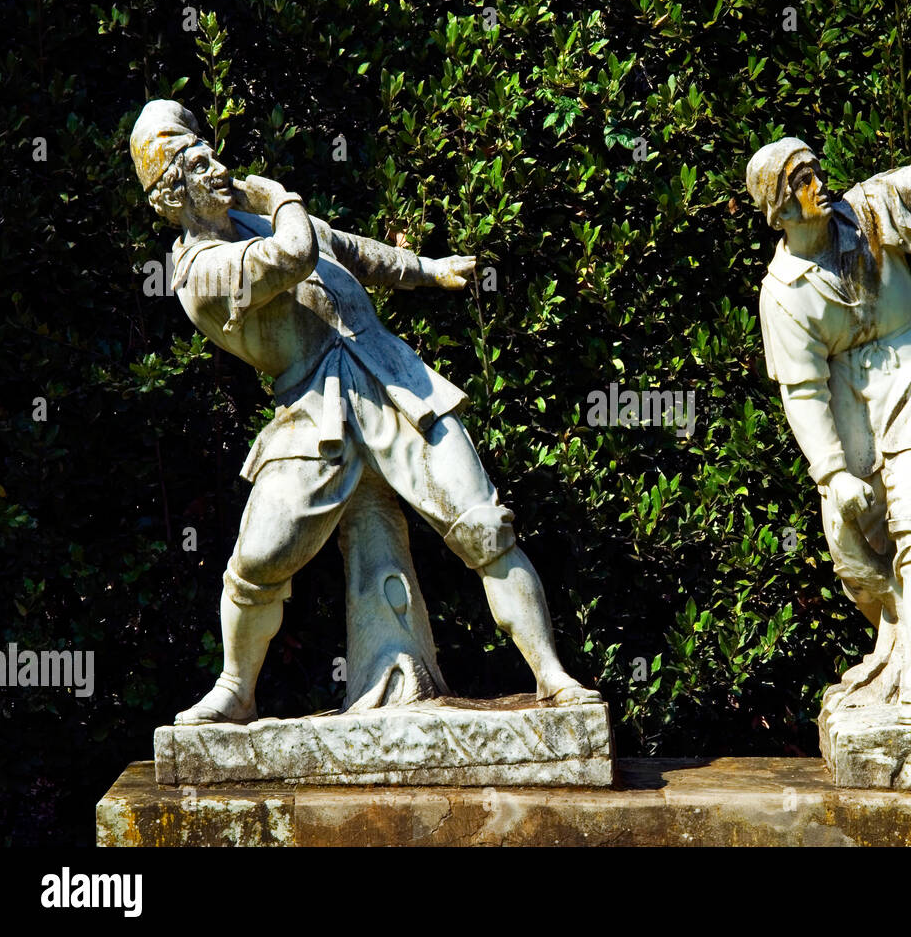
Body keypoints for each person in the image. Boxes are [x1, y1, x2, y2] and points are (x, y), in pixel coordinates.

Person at [130, 99, 601, 724]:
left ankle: (553, 676)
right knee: (258, 561)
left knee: (483, 523)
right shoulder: (201, 271)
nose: (217, 167)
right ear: (172, 193)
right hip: (312, 411)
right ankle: (235, 689)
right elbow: (296, 254)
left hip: (392, 380)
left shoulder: (253, 220)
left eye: (210, 153)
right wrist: (283, 199)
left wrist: (429, 272)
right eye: (197, 163)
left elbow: (349, 249)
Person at [745, 68, 911, 723]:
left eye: (815, 171)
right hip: (851, 406)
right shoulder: (784, 295)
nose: (818, 184)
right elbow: (802, 393)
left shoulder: (870, 208)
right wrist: (831, 471)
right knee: (850, 543)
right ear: (777, 206)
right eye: (802, 180)